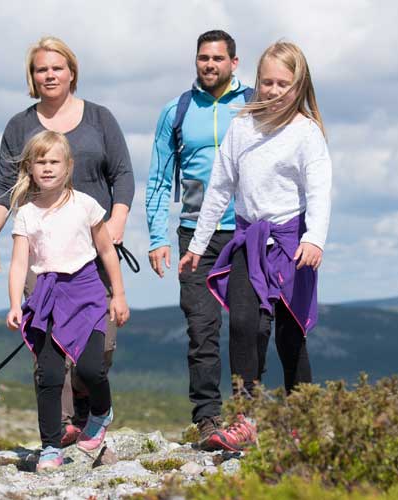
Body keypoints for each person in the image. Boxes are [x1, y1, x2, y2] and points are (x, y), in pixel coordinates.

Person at [178, 40, 332, 452]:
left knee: (290, 335)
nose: (273, 91)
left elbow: (319, 191)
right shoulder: (242, 126)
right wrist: (198, 244)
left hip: (293, 243)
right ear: (257, 81)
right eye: (267, 82)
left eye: (283, 84)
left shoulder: (306, 133)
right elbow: (219, 188)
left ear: (298, 86)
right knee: (244, 325)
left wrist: (314, 239)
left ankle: (303, 421)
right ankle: (246, 419)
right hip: (249, 241)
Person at [0, 36, 134, 445]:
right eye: (40, 69)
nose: (49, 75)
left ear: (71, 72)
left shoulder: (100, 118)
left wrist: (117, 220)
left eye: (56, 67)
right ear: (32, 77)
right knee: (49, 352)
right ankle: (61, 429)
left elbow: (122, 174)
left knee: (97, 352)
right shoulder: (19, 126)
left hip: (95, 249)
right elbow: (3, 185)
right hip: (42, 254)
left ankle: (87, 412)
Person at [144, 30, 255, 451]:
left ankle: (246, 415)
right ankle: (208, 418)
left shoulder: (254, 103)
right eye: (203, 58)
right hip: (194, 235)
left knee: (247, 326)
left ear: (234, 62)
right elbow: (159, 179)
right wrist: (158, 237)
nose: (209, 65)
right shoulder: (176, 111)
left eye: (218, 58)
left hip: (245, 230)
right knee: (201, 329)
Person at [5, 130, 130, 471]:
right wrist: (15, 303)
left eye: (54, 161)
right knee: (49, 374)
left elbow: (107, 251)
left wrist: (118, 295)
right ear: (30, 169)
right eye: (40, 162)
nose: (47, 168)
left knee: (90, 369)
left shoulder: (85, 205)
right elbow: (19, 264)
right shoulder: (26, 214)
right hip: (46, 297)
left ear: (68, 166)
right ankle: (50, 446)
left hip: (87, 293)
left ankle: (101, 412)